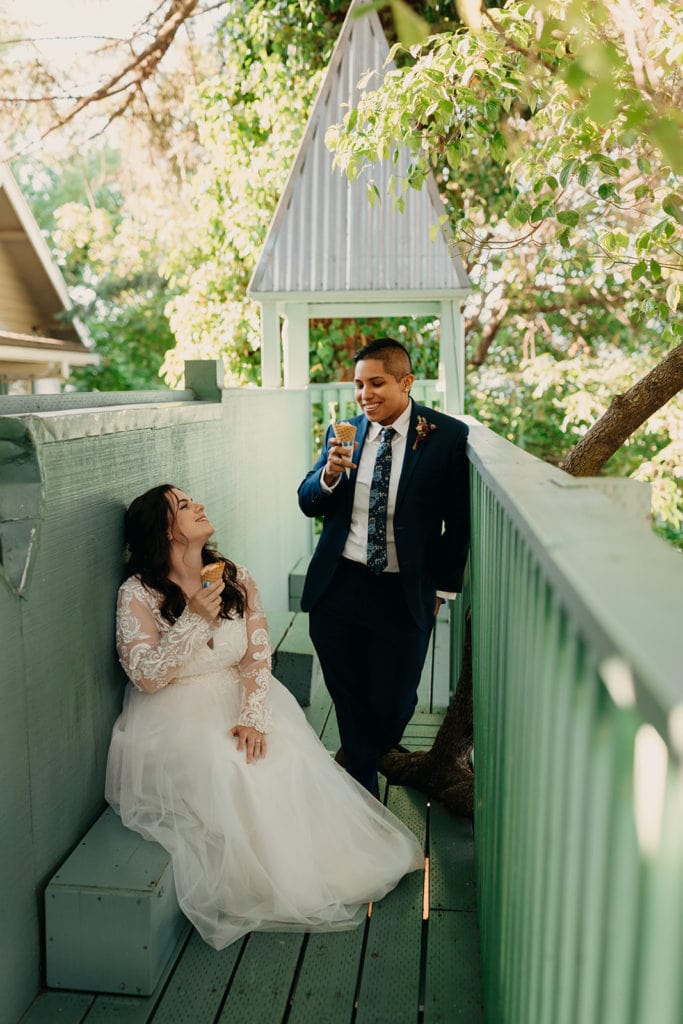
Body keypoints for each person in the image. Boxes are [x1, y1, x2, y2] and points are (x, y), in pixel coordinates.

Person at [105, 484, 423, 951]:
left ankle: (315, 865)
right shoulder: (137, 593)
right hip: (174, 712)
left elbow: (256, 658)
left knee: (283, 757)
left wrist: (254, 715)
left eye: (197, 499)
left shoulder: (234, 575)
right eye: (186, 505)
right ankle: (265, 878)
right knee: (230, 768)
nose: (201, 505)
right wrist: (193, 619)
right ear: (165, 529)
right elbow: (146, 677)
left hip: (243, 698)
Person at [297, 338, 470, 797]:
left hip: (404, 590)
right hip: (339, 586)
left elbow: (459, 524)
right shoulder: (343, 433)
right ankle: (363, 794)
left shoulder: (446, 436)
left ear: (405, 382)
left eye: (376, 383)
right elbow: (307, 500)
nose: (365, 394)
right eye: (358, 385)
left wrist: (443, 592)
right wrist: (330, 475)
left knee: (395, 702)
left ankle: (355, 757)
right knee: (348, 693)